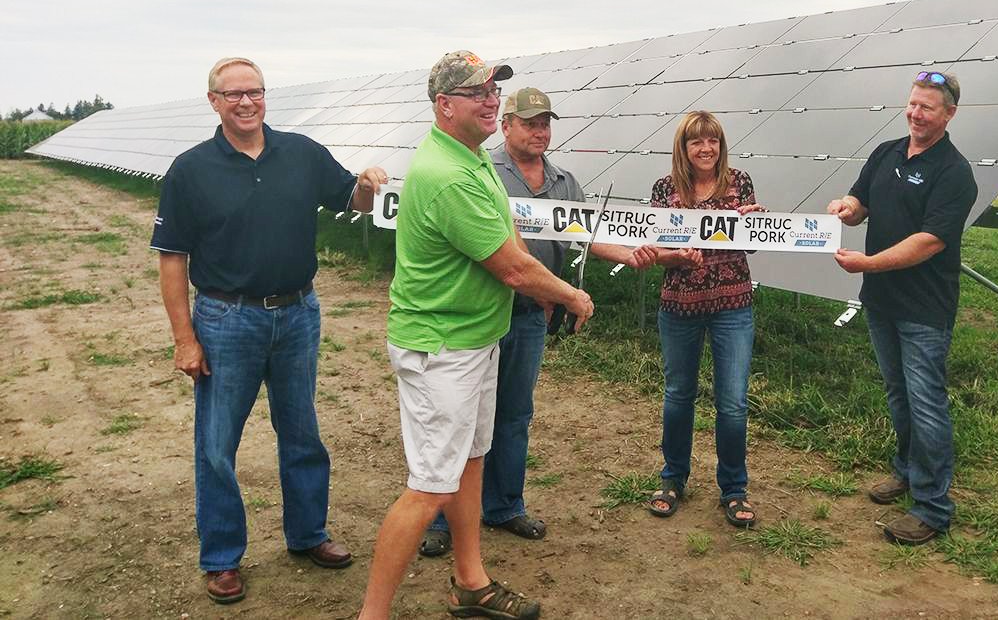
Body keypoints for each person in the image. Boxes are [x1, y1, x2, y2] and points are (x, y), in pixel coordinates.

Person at [358, 54, 595, 620]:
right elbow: (511, 267)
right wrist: (568, 293)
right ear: (445, 106)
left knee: (469, 462)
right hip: (441, 349)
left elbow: (507, 232)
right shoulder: (447, 175)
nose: (491, 100)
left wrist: (540, 284)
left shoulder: (470, 159)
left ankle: (471, 582)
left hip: (473, 338)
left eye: (493, 90)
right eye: (476, 93)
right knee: (430, 488)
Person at [151, 57, 388, 604]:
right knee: (216, 445)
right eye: (232, 94)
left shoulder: (300, 153)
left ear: (265, 96)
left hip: (298, 314)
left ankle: (308, 535)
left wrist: (369, 184)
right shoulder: (190, 170)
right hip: (225, 320)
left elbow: (349, 197)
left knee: (302, 431)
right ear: (213, 101)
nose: (245, 102)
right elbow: (172, 259)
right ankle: (222, 557)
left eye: (253, 92)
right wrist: (184, 338)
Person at [419, 87, 652, 557]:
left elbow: (586, 230)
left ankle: (504, 505)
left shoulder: (564, 180)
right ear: (506, 126)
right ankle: (442, 517)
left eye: (545, 123)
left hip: (530, 315)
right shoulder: (484, 171)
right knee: (460, 417)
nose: (539, 131)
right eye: (529, 123)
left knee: (514, 412)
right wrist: (563, 293)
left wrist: (631, 254)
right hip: (486, 308)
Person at [827, 70, 978, 546]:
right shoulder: (888, 151)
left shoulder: (954, 173)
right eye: (912, 104)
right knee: (899, 395)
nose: (915, 113)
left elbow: (929, 242)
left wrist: (869, 262)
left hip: (924, 308)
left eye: (927, 107)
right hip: (882, 300)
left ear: (949, 114)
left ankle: (933, 507)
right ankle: (908, 472)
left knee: (927, 402)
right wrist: (848, 207)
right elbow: (862, 198)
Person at [640, 110, 765, 528]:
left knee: (732, 402)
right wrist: (676, 256)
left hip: (733, 306)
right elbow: (653, 249)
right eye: (696, 141)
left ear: (721, 145)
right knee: (679, 395)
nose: (706, 148)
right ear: (684, 147)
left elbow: (753, 247)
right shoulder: (664, 189)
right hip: (680, 306)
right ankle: (673, 478)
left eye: (712, 140)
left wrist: (757, 227)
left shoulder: (740, 182)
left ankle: (733, 488)